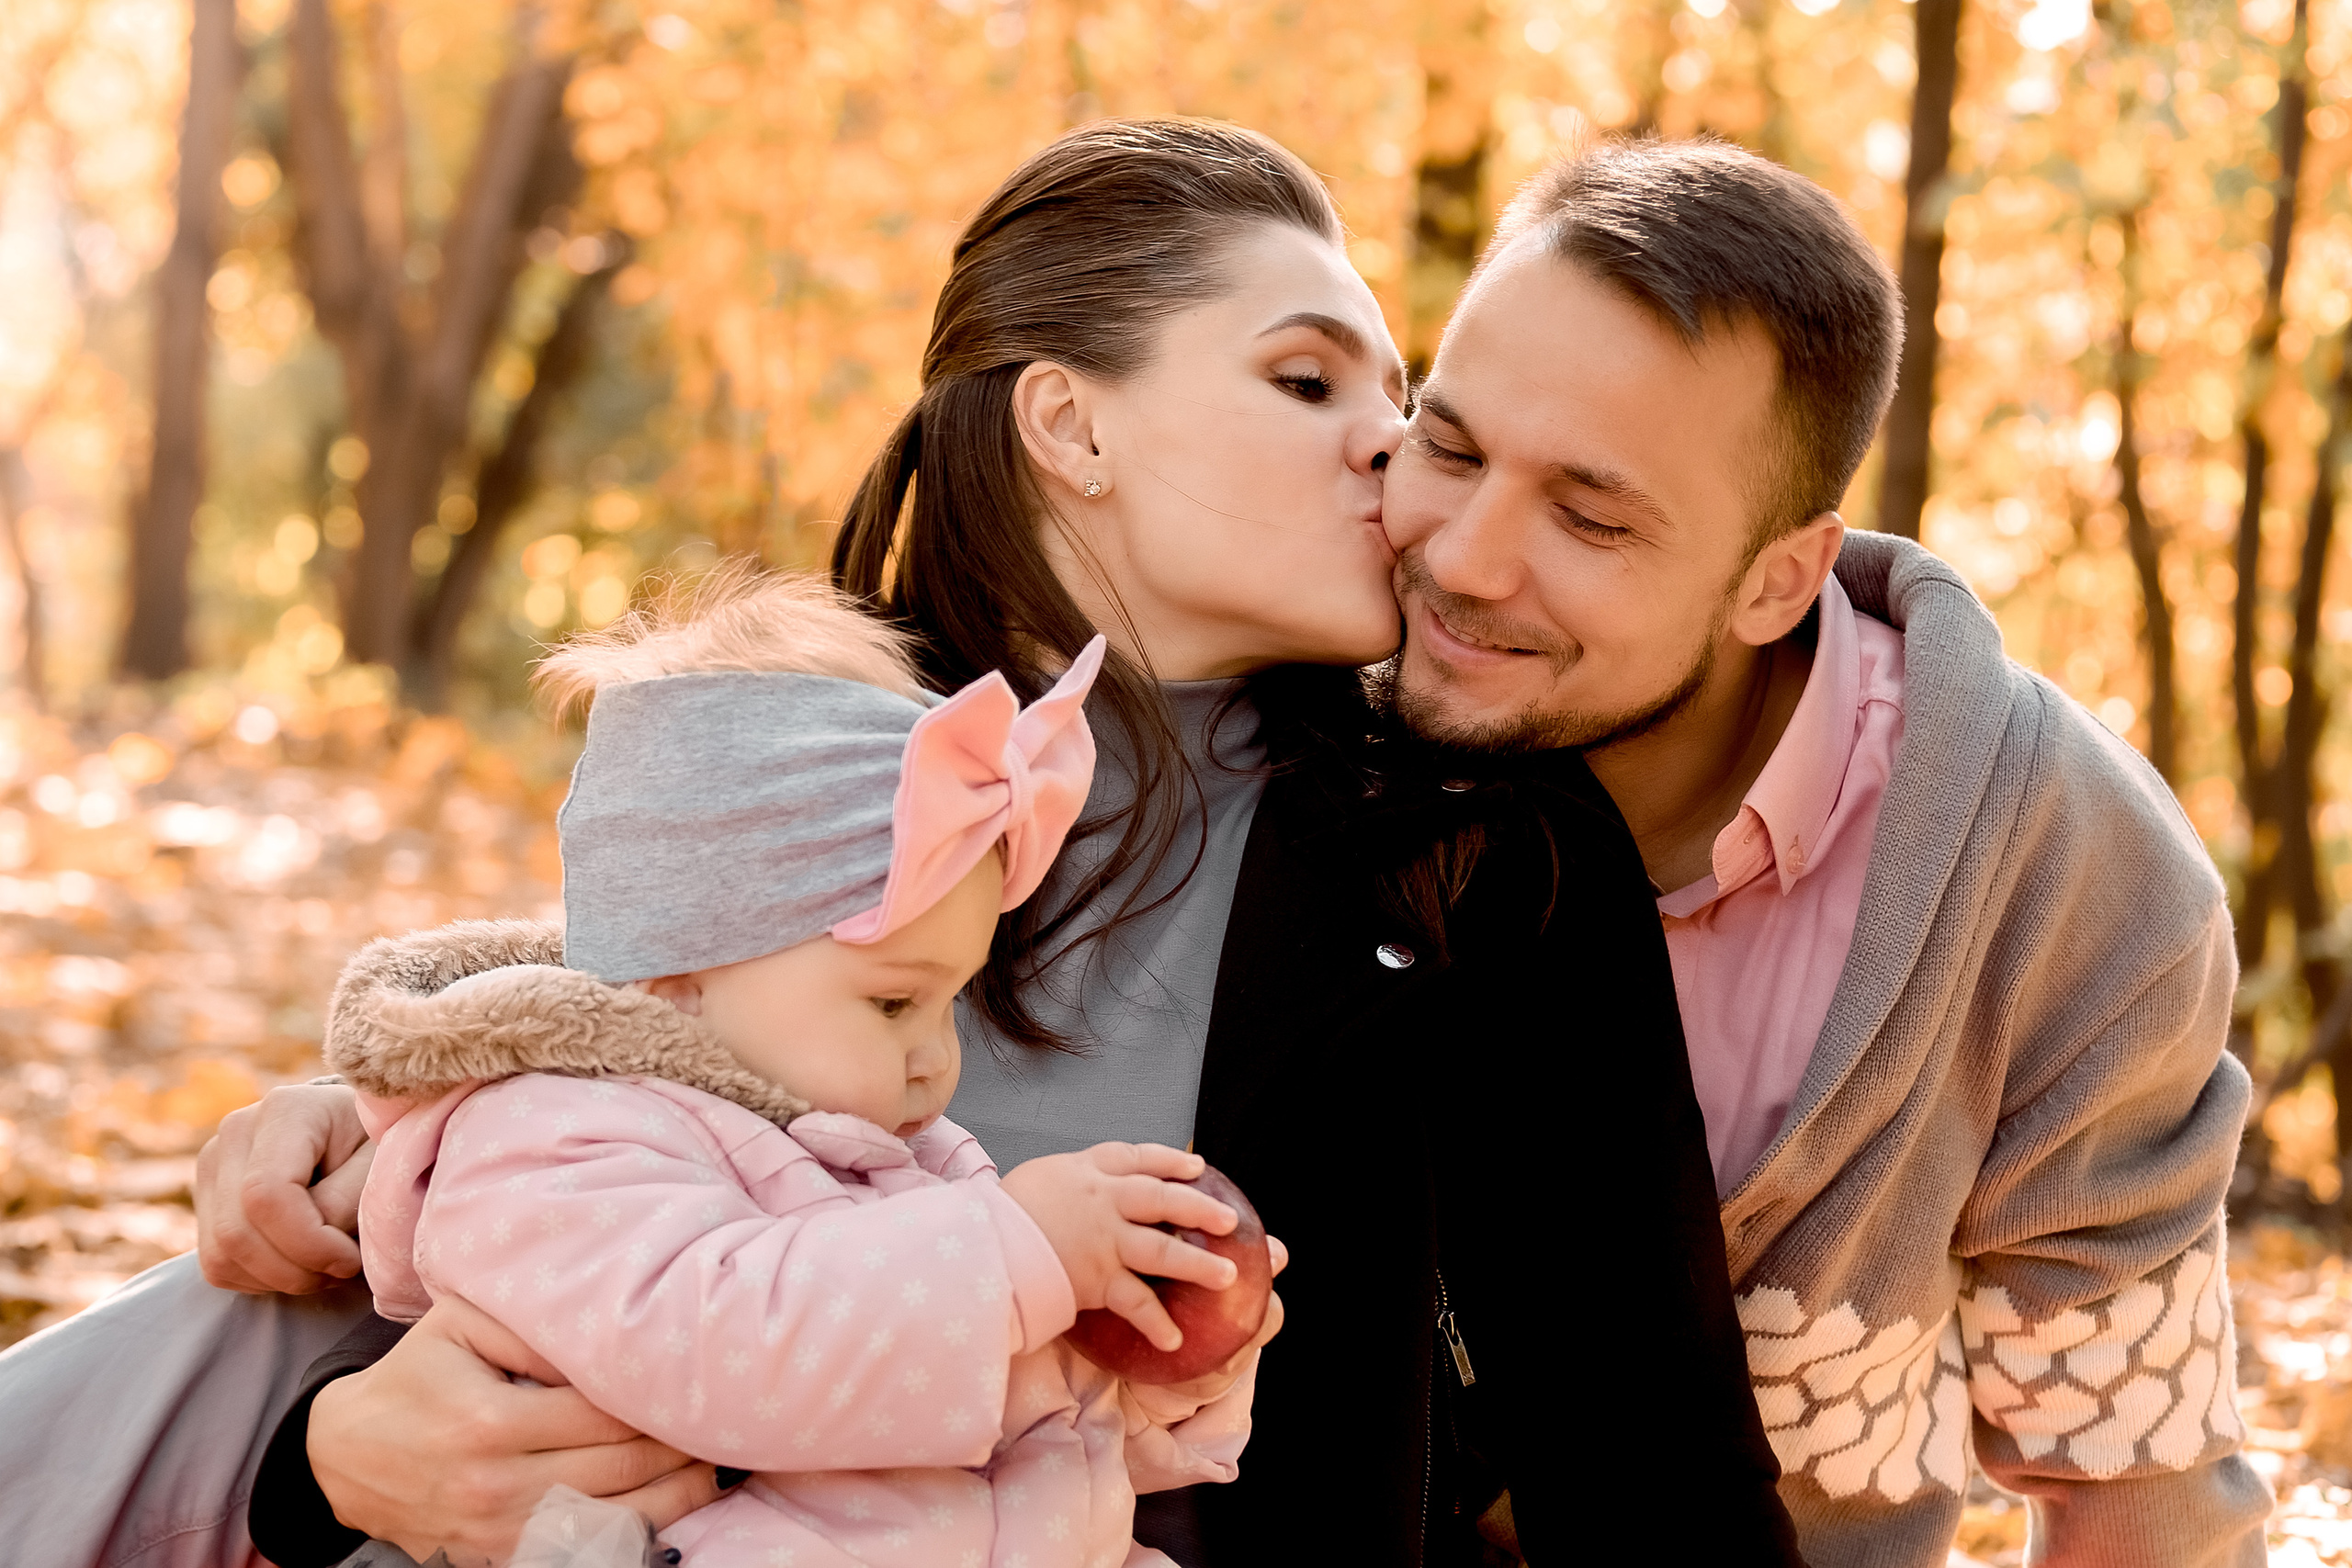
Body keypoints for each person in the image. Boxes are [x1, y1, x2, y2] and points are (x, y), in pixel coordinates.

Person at [0, 121, 1798, 1568]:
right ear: (1068, 422)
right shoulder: (797, 754)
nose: (1390, 442)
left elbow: (1641, 1468)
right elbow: (567, 1160)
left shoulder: (1472, 859)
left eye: (1387, 387)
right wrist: (321, 1462)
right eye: (1307, 378)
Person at [1379, 138, 2270, 1565]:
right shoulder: (1286, 737)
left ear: (1779, 577)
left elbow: (2134, 1487)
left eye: (1590, 514)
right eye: (1448, 443)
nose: (1465, 558)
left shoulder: (2064, 874)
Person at [328, 575, 1272, 1568]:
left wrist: (1144, 1364)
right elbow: (726, 1349)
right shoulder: (550, 1142)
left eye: (949, 1002)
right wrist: (1018, 1255)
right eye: (891, 1001)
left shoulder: (894, 1161)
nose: (934, 1055)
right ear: (680, 980)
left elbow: (981, 1393)